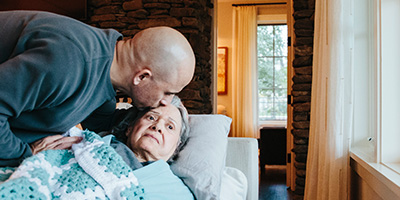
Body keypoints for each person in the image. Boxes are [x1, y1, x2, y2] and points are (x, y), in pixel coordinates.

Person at [0, 10, 195, 167]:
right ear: (142, 77)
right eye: (168, 93)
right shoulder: (68, 63)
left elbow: (106, 123)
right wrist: (25, 155)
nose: (165, 102)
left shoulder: (106, 78)